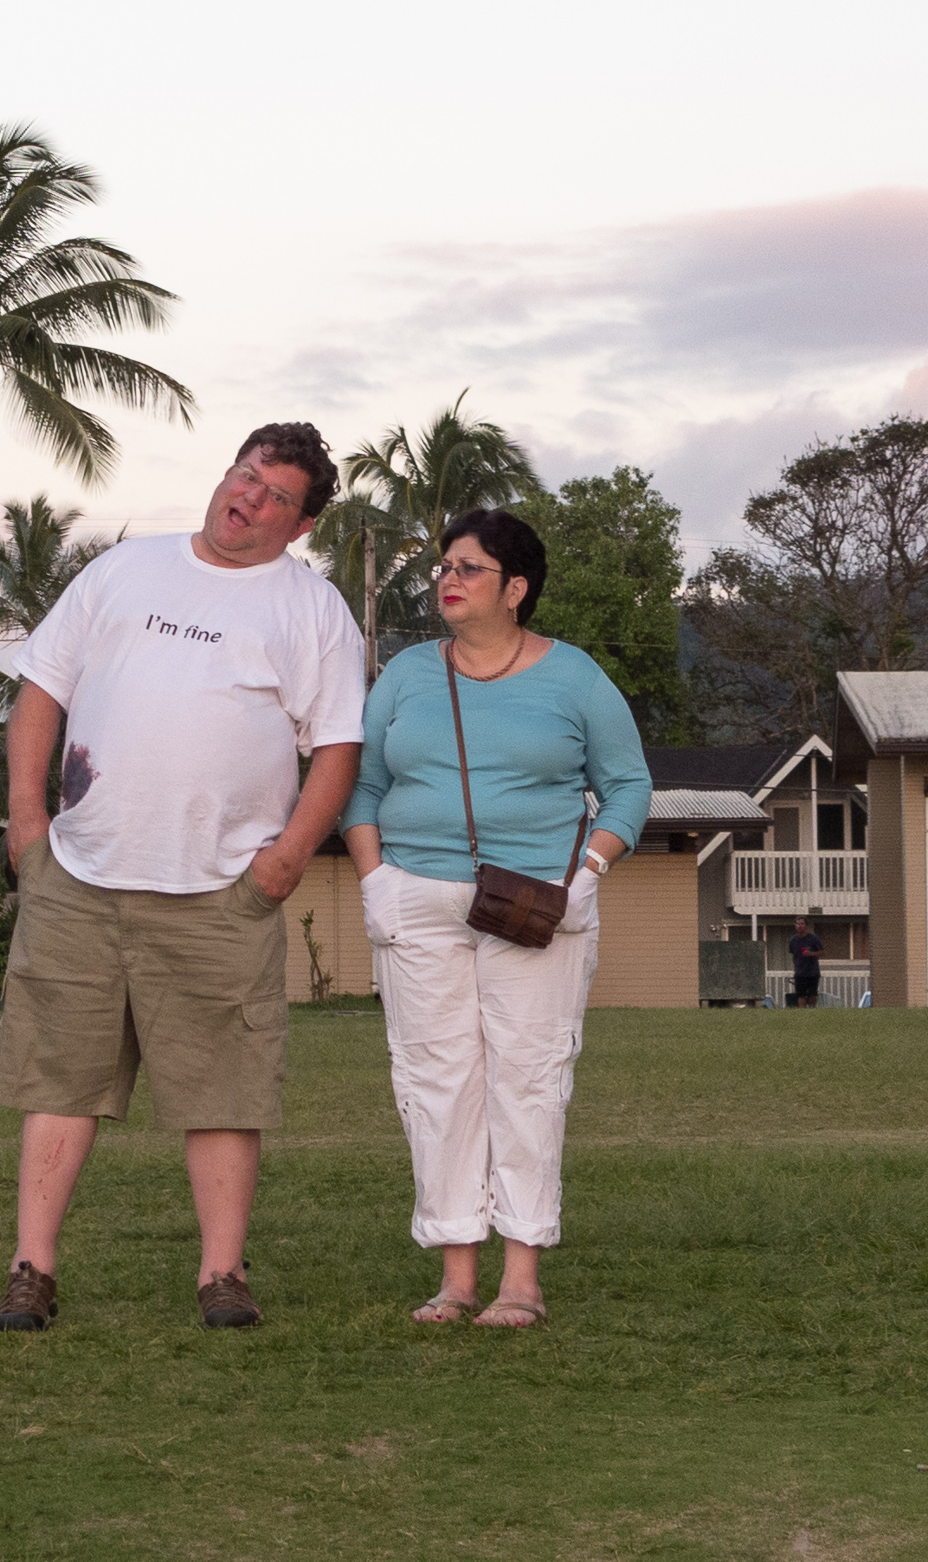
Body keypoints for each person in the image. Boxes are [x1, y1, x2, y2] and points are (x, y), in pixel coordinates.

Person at [0, 424, 365, 1335]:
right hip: (79, 875)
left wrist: (283, 862)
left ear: (300, 523)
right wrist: (30, 823)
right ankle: (30, 1271)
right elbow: (42, 688)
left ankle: (222, 1275)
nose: (247, 499)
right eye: (244, 476)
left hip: (222, 893)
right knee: (58, 1081)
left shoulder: (311, 610)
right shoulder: (123, 571)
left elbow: (338, 748)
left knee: (223, 1089)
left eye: (274, 495)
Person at [343, 508, 653, 1330]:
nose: (446, 578)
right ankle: (455, 1275)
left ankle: (521, 1277)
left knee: (527, 1075)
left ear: (515, 589)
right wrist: (375, 877)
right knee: (434, 1080)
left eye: (468, 567)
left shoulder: (575, 677)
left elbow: (627, 788)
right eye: (444, 564)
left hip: (534, 902)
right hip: (416, 896)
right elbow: (361, 784)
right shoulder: (406, 674)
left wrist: (589, 868)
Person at [788, 916, 826, 1007]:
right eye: (797, 924)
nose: (799, 926)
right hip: (800, 972)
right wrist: (796, 967)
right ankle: (802, 1012)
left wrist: (811, 953)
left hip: (812, 972)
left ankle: (812, 1010)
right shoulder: (793, 940)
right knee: (801, 994)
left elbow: (822, 952)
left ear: (806, 926)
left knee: (813, 994)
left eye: (802, 924)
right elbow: (793, 955)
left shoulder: (813, 938)